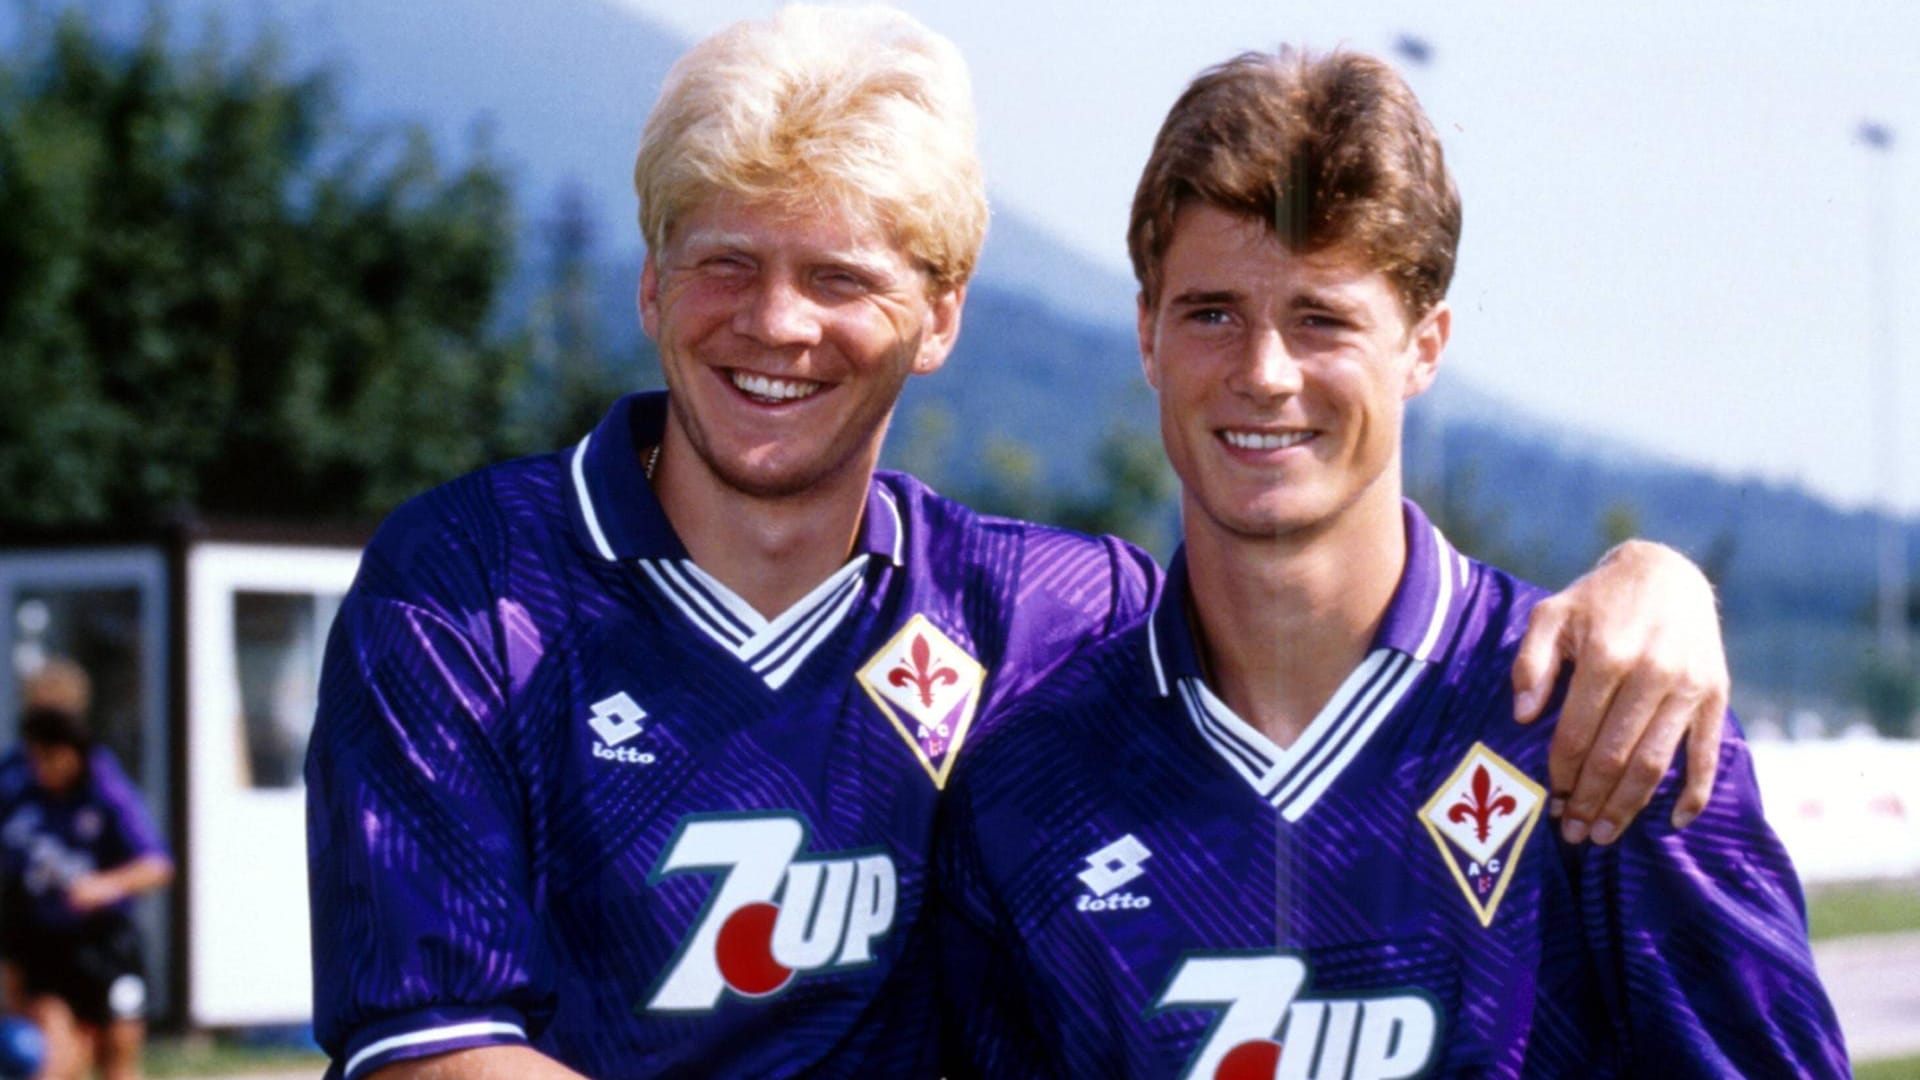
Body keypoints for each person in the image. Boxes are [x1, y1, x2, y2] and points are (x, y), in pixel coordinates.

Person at [306, 8, 1736, 1079]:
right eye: (726, 262)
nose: (777, 324)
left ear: (941, 317)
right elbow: (439, 1047)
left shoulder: (1045, 613)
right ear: (651, 283)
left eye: (841, 277)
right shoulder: (468, 590)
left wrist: (1655, 586)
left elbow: (1281, 657)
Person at [933, 47, 1847, 1078]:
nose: (1264, 374)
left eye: (1321, 319)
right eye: (1212, 313)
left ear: (1424, 344)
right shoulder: (1029, 787)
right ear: (1147, 333)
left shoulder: (1606, 730)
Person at [0, 660, 173, 1080]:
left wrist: (104, 885)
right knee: (53, 1052)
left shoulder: (102, 781)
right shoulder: (12, 779)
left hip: (105, 943)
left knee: (118, 1050)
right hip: (40, 942)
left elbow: (157, 863)